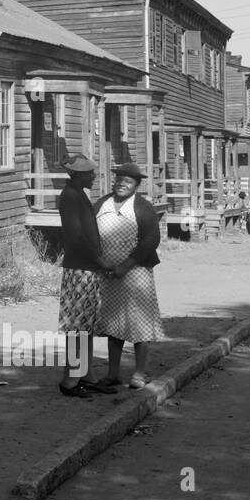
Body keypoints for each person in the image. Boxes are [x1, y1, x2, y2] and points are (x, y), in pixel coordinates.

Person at [94, 162, 166, 388]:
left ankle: (139, 374)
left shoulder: (143, 207)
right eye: (119, 180)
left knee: (139, 322)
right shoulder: (102, 203)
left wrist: (126, 265)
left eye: (128, 182)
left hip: (136, 272)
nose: (121, 185)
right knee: (114, 323)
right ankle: (113, 373)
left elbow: (150, 241)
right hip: (108, 273)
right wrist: (102, 262)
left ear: (136, 185)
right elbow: (90, 233)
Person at [55, 154, 115, 397]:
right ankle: (70, 380)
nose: (93, 176)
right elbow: (77, 237)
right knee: (76, 326)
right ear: (78, 175)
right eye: (90, 173)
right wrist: (99, 260)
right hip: (79, 268)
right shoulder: (70, 197)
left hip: (88, 268)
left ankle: (87, 375)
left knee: (86, 325)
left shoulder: (79, 194)